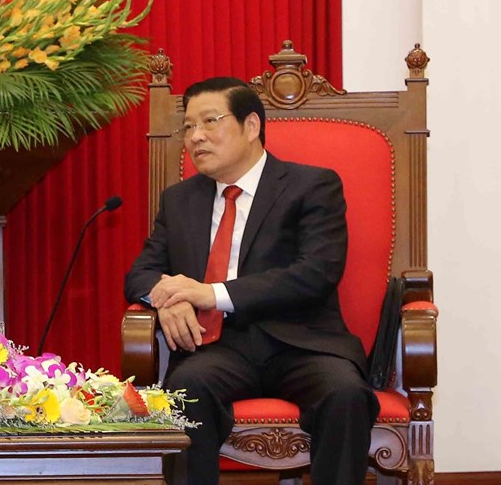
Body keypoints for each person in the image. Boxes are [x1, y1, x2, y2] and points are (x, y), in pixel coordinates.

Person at [124, 77, 378, 485]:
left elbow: (316, 272)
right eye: (188, 127)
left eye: (210, 121)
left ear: (251, 126)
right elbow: (141, 274)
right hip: (217, 348)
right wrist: (168, 299)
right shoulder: (180, 199)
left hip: (303, 345)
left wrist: (210, 294)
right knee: (186, 389)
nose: (195, 137)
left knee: (345, 394)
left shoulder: (312, 186)